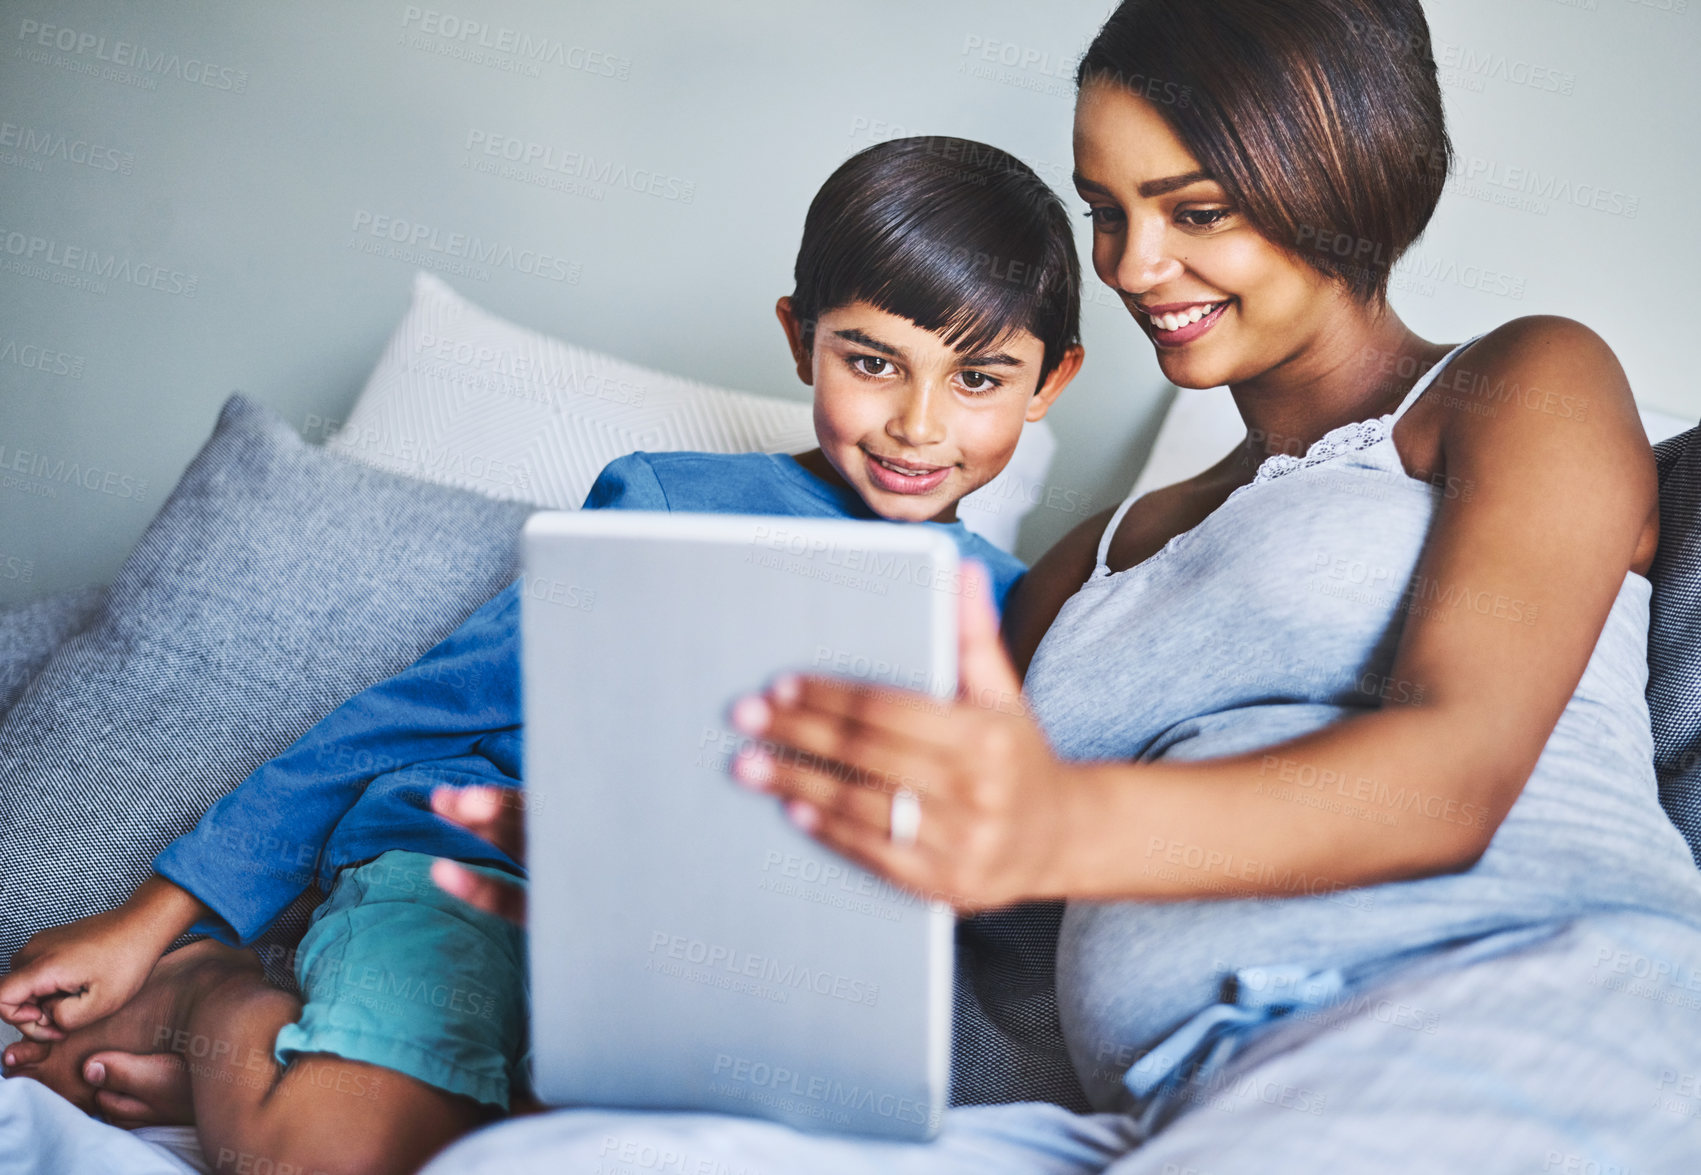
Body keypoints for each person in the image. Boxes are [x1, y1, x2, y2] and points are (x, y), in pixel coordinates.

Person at [410, 1, 1701, 1171]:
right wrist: (665, 891)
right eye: (1107, 209)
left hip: (1503, 999)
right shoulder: (1079, 564)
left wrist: (1053, 823)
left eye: (1195, 212)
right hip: (1171, 1095)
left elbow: (1449, 778)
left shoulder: (1519, 385)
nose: (1135, 266)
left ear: (1343, 179)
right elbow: (977, 912)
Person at [0, 134, 1085, 1175]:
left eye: (979, 380)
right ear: (800, 338)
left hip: (708, 953)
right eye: (872, 361)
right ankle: (210, 994)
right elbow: (412, 710)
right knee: (330, 1154)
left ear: (1050, 384)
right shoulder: (667, 501)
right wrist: (153, 922)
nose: (917, 423)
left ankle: (278, 1068)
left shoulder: (1007, 616)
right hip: (479, 865)